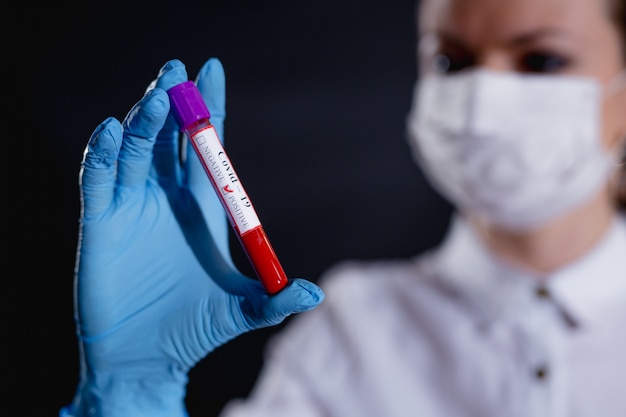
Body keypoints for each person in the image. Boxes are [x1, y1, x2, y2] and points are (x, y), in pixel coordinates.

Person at [61, 0, 626, 415]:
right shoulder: (350, 331)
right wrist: (129, 396)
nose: (482, 103)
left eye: (544, 60)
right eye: (452, 62)